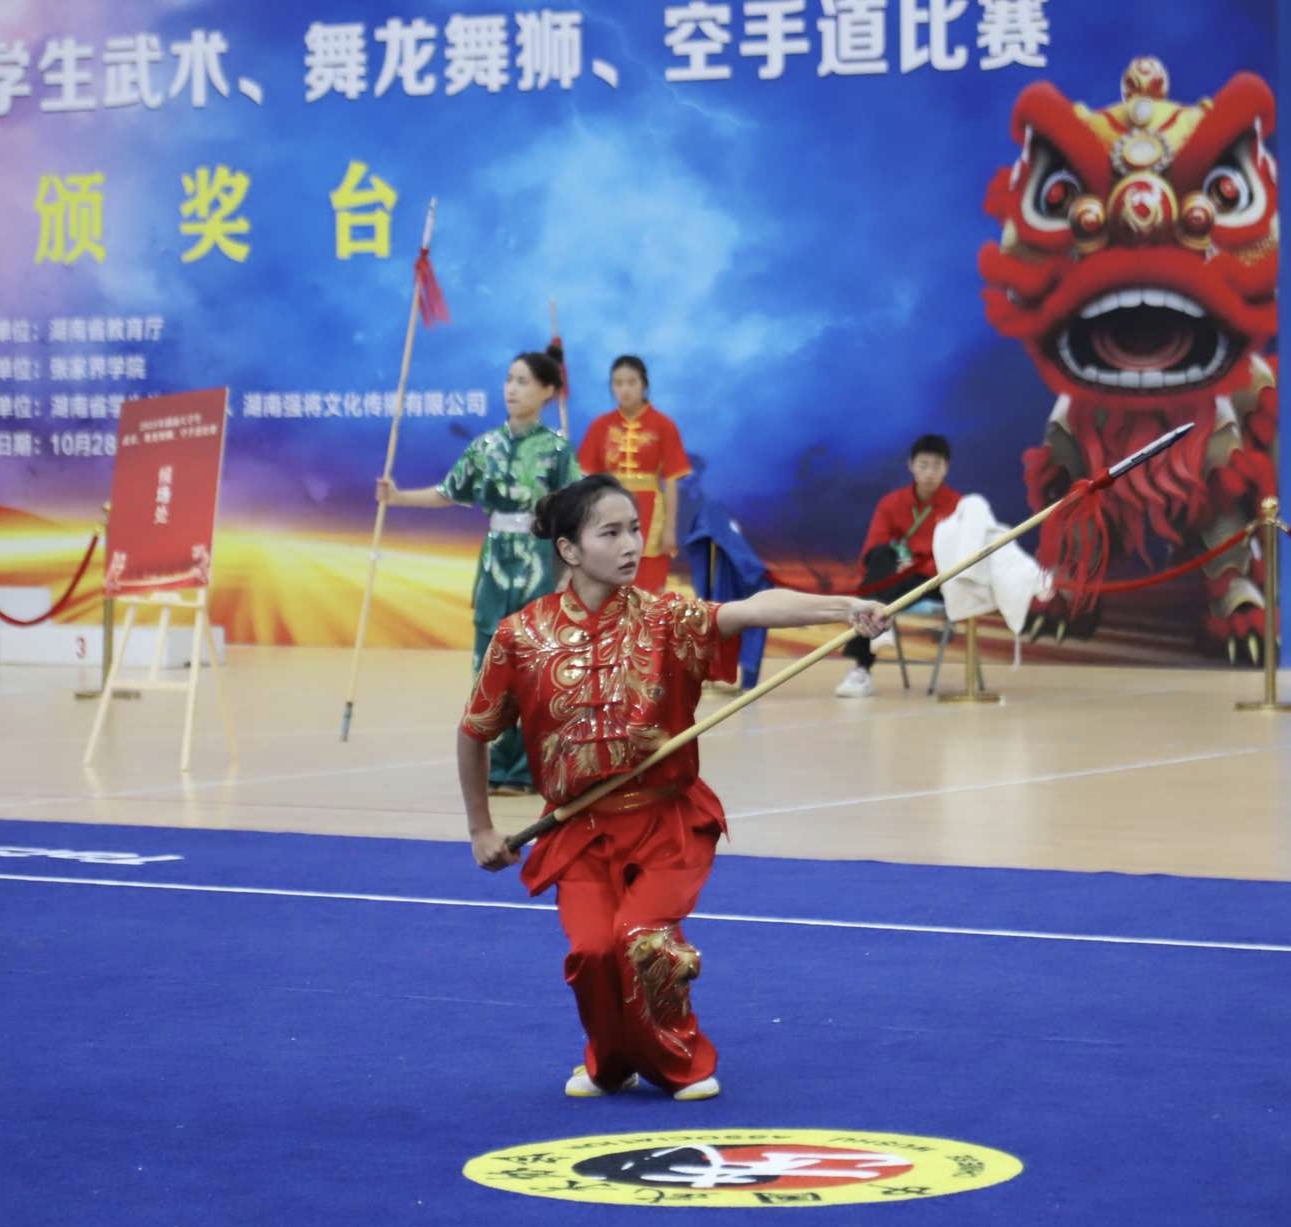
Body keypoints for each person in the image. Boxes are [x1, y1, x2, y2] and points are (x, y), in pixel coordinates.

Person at [457, 474, 889, 1100]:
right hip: (578, 829)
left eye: (634, 529)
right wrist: (480, 828)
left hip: (665, 823)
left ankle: (679, 1060)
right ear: (569, 550)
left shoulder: (667, 619)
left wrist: (845, 608)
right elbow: (474, 732)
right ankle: (610, 1063)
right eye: (611, 533)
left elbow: (752, 608)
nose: (631, 544)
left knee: (643, 938)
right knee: (592, 953)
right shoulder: (520, 637)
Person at [378, 346, 580, 794]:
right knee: (488, 661)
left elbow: (575, 513)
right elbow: (448, 491)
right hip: (494, 564)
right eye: (509, 379)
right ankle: (492, 766)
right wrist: (397, 497)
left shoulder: (557, 450)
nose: (512, 389)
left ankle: (528, 770)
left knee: (534, 663)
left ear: (548, 391)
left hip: (537, 563)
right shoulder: (485, 447)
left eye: (523, 381)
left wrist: (570, 568)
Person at [836, 434, 961, 698]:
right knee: (882, 557)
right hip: (897, 579)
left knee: (876, 594)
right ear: (911, 465)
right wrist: (898, 563)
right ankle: (878, 633)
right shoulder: (891, 503)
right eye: (923, 465)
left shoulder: (959, 506)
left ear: (946, 468)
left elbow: (961, 556)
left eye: (936, 466)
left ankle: (862, 664)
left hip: (938, 581)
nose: (929, 473)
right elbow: (873, 550)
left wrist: (917, 566)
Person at [577, 355, 691, 593]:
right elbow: (587, 481)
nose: (625, 389)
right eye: (618, 383)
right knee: (611, 585)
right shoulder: (600, 426)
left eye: (631, 382)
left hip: (650, 513)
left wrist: (670, 528)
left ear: (644, 385)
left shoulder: (663, 425)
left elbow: (672, 481)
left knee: (648, 589)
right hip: (609, 511)